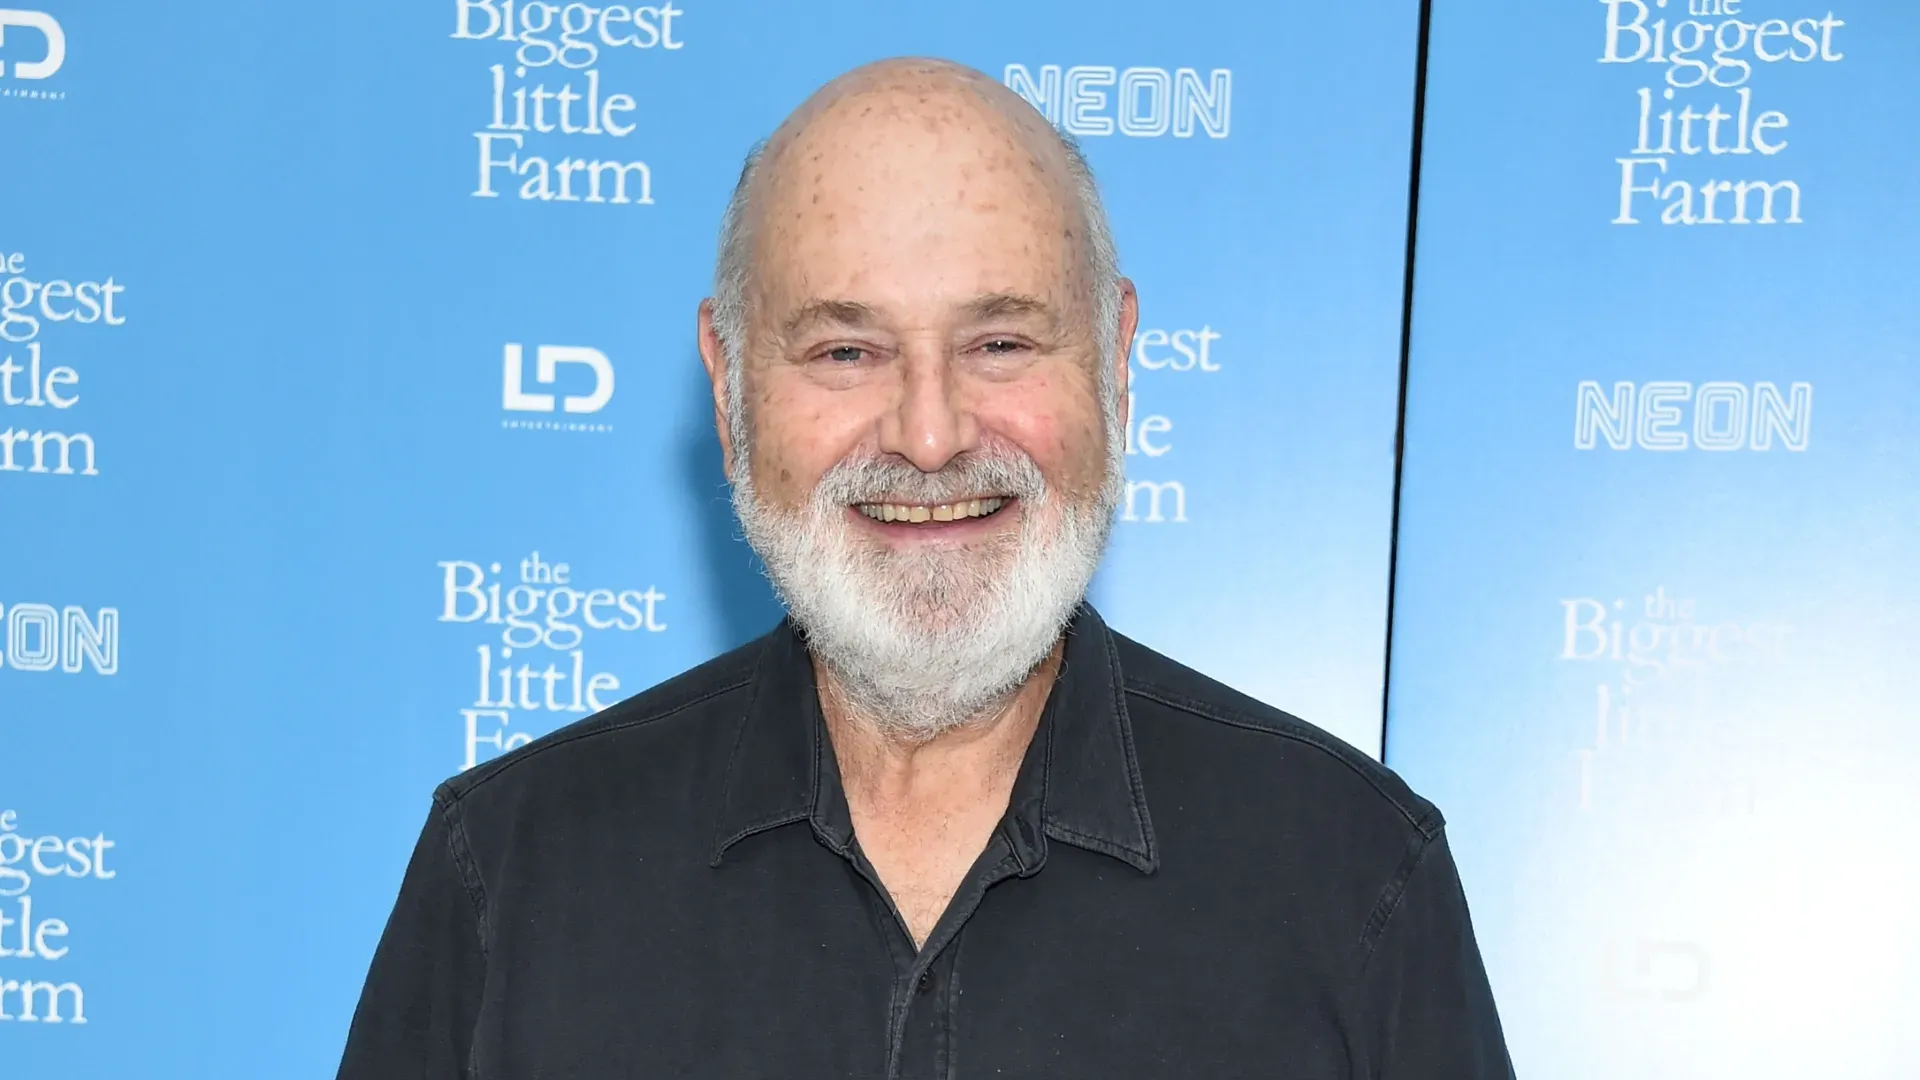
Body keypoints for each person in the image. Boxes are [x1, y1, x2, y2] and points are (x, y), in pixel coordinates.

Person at [336, 58, 1511, 1079]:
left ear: (1114, 361)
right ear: (730, 382)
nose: (932, 434)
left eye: (1000, 343)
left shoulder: (1352, 875)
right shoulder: (512, 870)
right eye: (846, 350)